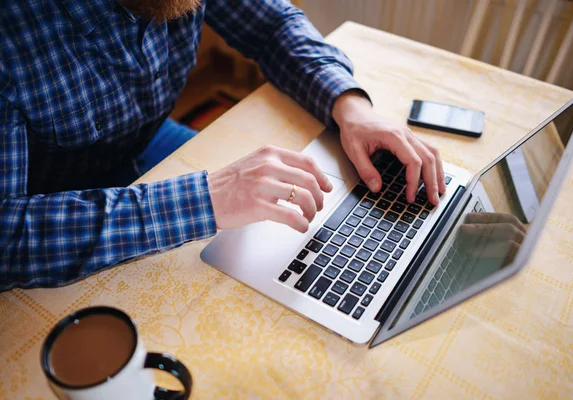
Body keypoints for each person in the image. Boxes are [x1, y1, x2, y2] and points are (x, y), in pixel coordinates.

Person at [0, 0, 446, 292]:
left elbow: (272, 24)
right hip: (44, 202)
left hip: (143, 141)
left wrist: (350, 107)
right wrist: (204, 199)